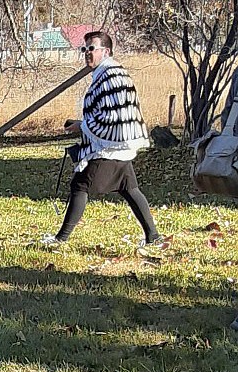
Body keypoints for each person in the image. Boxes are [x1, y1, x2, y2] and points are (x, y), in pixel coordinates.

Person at [42, 31, 164, 250]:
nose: (87, 53)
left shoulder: (110, 76)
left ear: (105, 51)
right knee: (130, 189)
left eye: (92, 48)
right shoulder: (109, 73)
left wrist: (84, 126)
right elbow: (109, 111)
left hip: (110, 146)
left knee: (80, 185)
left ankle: (60, 239)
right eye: (85, 49)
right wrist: (83, 123)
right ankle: (153, 237)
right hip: (119, 144)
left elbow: (113, 117)